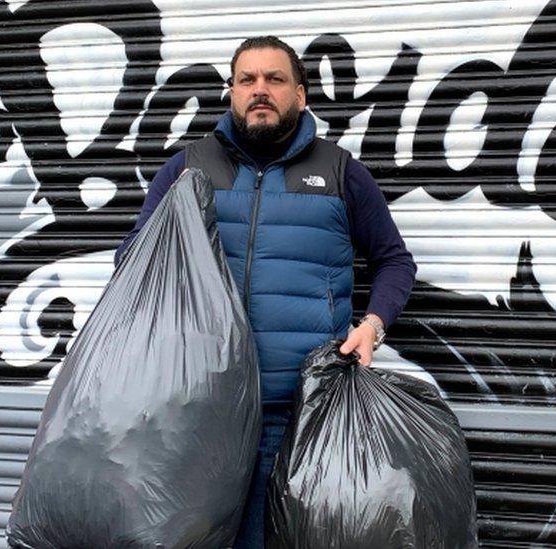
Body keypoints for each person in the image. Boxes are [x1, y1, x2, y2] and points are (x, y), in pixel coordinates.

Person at [114, 36, 417, 548]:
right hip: (193, 413)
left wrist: (372, 326)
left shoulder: (341, 173)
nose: (260, 90)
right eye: (247, 80)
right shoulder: (188, 169)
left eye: (275, 80)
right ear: (230, 92)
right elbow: (135, 261)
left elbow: (394, 261)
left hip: (294, 415)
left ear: (300, 95)